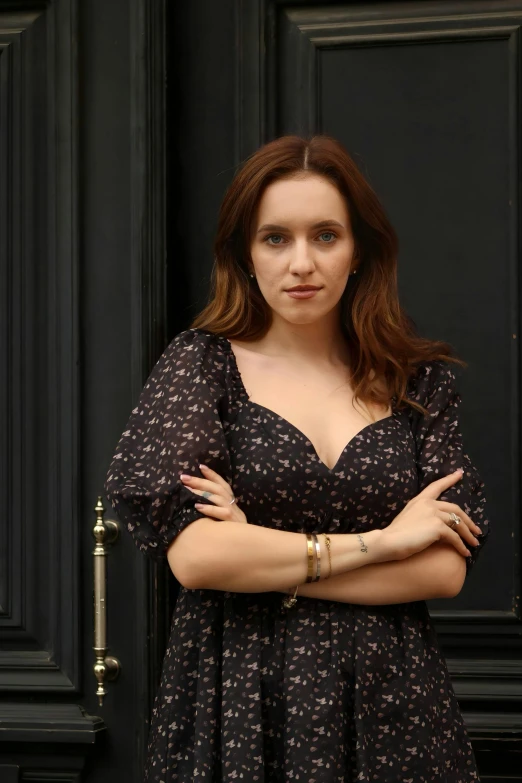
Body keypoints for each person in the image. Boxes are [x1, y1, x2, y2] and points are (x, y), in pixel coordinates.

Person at [104, 134, 490, 782]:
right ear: (244, 254)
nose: (301, 262)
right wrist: (386, 541)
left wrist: (257, 552)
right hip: (239, 696)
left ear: (360, 248)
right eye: (276, 237)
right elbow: (197, 558)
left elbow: (443, 569)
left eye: (326, 236)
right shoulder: (201, 366)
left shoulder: (418, 381)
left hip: (394, 699)